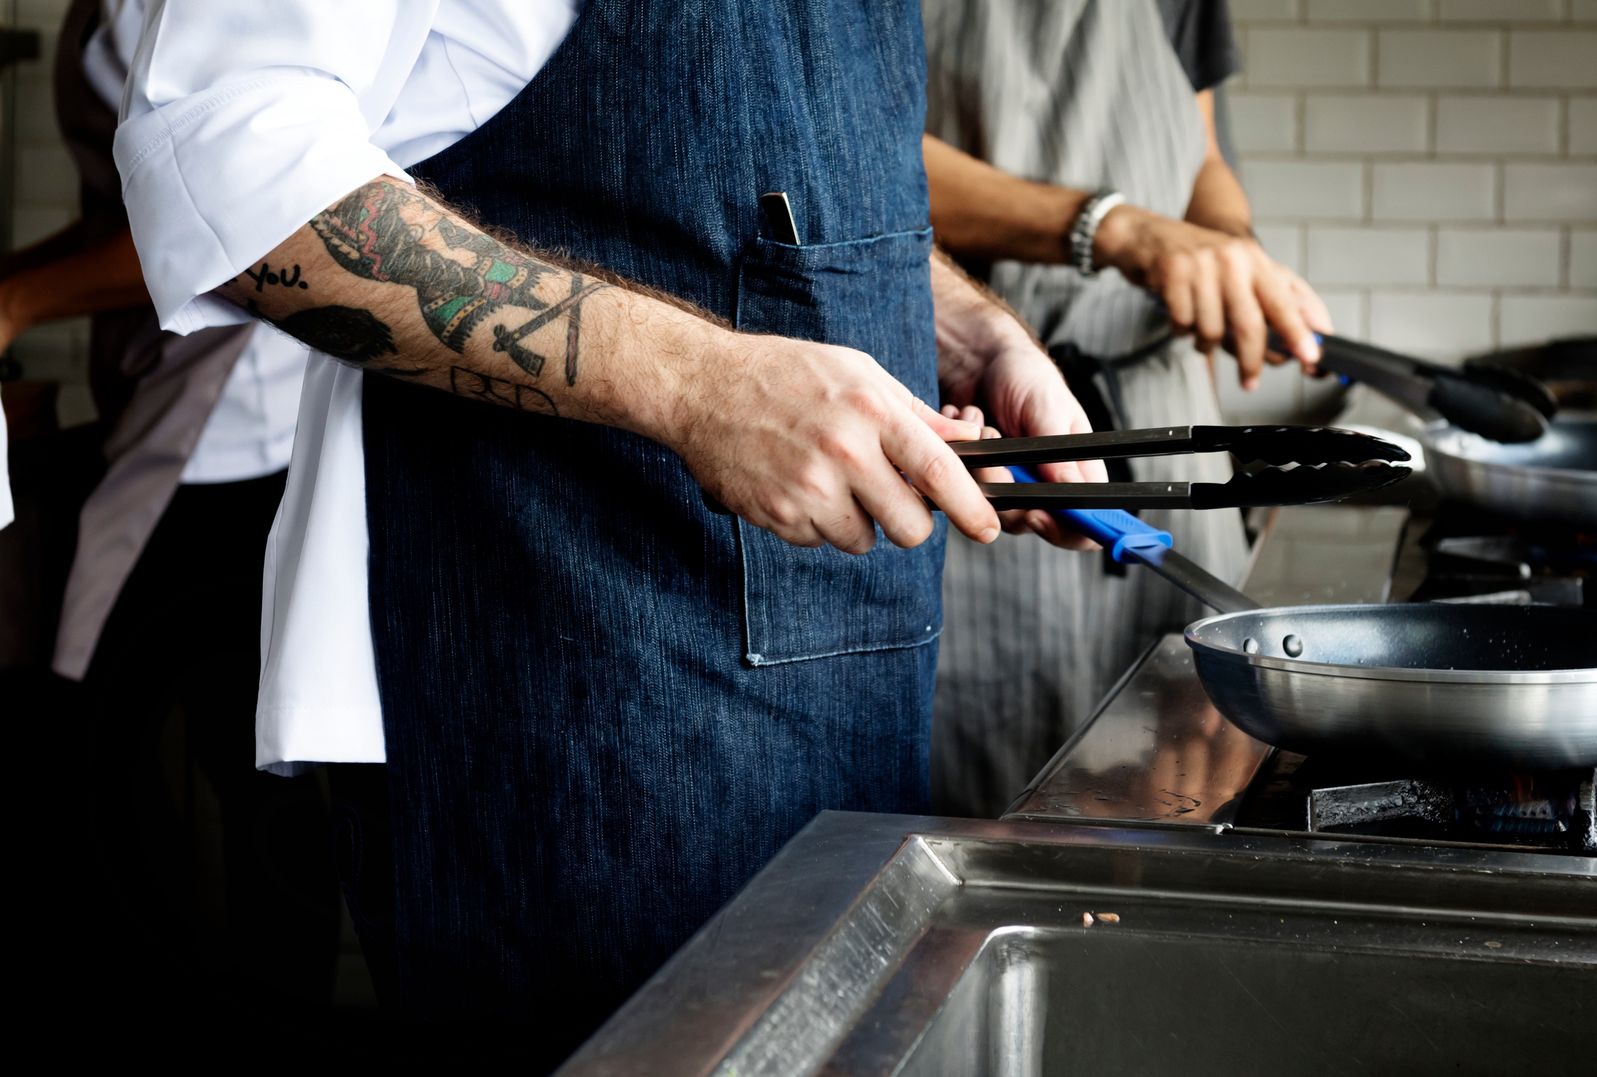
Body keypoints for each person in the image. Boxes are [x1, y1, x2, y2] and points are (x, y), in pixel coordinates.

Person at [114, 0, 1098, 1063]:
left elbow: (751, 175)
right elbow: (228, 168)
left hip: (848, 689)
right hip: (560, 695)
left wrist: (965, 332)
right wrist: (699, 383)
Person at [2, 0, 336, 1059]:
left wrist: (17, 301)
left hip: (246, 434)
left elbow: (232, 226)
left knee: (245, 794)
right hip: (169, 409)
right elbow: (140, 210)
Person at [922, 0, 1335, 816]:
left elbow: (1199, 151)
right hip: (975, 423)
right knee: (991, 806)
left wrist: (1226, 247)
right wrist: (1111, 228)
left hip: (1158, 411)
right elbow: (853, 165)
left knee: (1200, 777)